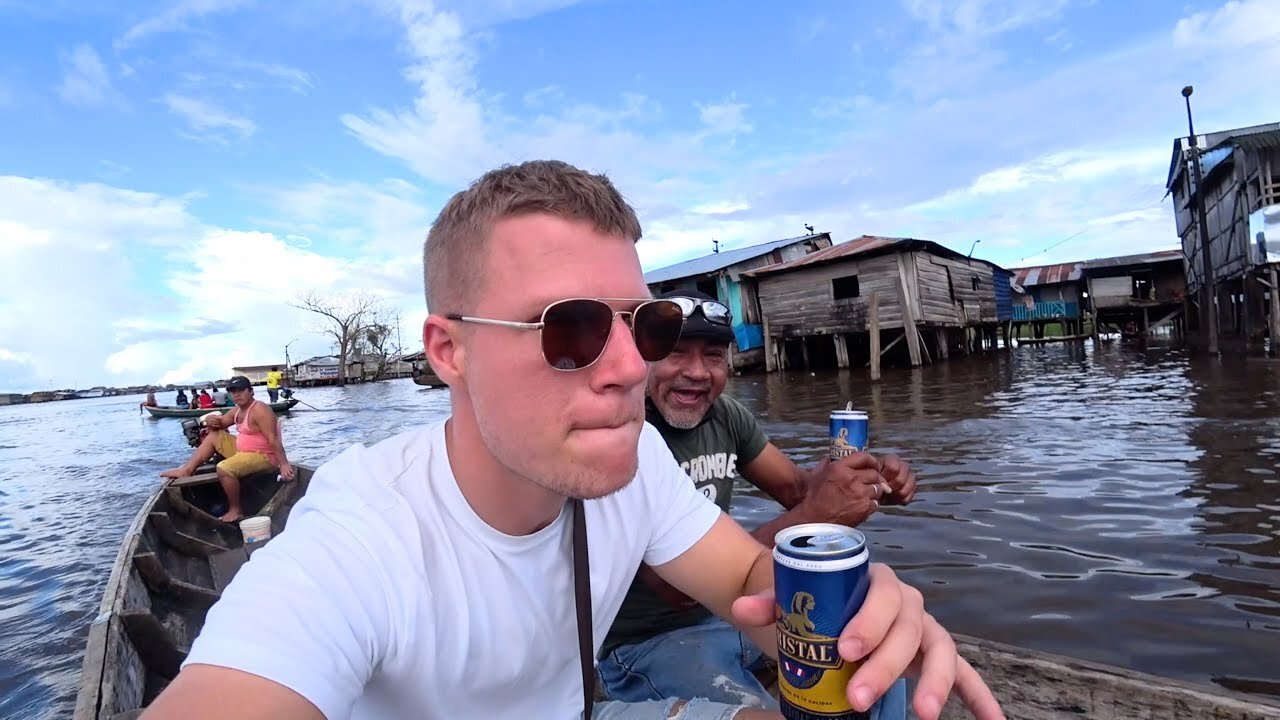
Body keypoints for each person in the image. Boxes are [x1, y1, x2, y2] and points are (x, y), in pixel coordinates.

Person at [142, 161, 1001, 720]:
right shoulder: (363, 534)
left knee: (881, 689)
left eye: (645, 325)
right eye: (572, 328)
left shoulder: (631, 467)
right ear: (451, 351)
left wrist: (841, 621)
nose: (630, 367)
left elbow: (744, 579)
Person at [599, 290, 918, 710]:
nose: (696, 372)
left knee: (873, 665)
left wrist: (869, 487)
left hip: (732, 617)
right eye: (677, 353)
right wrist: (817, 513)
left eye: (713, 355)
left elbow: (797, 491)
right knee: (761, 711)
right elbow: (676, 592)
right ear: (646, 356)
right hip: (647, 645)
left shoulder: (727, 417)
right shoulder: (625, 440)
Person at [159, 375, 294, 522]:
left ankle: (236, 510)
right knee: (214, 437)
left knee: (223, 468)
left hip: (265, 456)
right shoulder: (236, 410)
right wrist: (210, 421)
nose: (236, 394)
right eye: (232, 391)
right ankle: (187, 470)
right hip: (244, 451)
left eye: (241, 390)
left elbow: (273, 439)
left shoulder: (260, 409)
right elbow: (220, 424)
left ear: (251, 391)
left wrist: (284, 464)